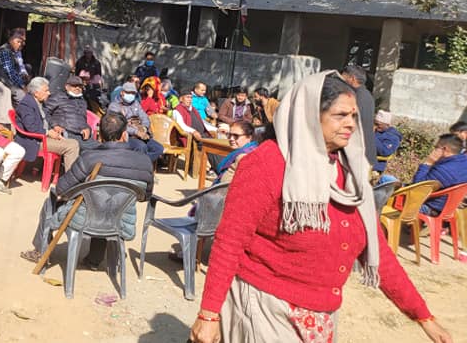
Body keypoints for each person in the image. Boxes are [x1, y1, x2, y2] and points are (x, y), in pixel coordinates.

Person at [189, 72, 451, 343]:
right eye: (340, 115)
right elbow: (229, 241)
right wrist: (209, 314)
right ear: (309, 116)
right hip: (265, 307)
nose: (351, 124)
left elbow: (377, 250)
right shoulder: (268, 163)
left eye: (354, 116)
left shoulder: (350, 175)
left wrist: (423, 317)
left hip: (322, 314)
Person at [20, 112, 154, 264]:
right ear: (125, 135)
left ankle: (41, 251)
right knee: (107, 201)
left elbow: (61, 189)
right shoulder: (144, 161)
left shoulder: (89, 157)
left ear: (100, 136)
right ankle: (94, 260)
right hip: (120, 221)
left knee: (56, 201)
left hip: (85, 218)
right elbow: (145, 196)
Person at [14, 77, 81, 171]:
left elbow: (47, 118)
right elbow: (31, 127)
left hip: (43, 138)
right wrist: (48, 132)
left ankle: (72, 175)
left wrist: (54, 127)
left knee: (74, 142)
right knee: (71, 147)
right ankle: (71, 177)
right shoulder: (26, 105)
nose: (49, 93)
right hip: (34, 141)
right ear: (36, 93)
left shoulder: (39, 102)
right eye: (46, 91)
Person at [410, 134, 467, 215]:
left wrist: (428, 162)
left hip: (429, 208)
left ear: (444, 149)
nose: (433, 150)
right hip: (446, 209)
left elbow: (417, 189)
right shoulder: (463, 163)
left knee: (390, 191)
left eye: (436, 147)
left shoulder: (444, 170)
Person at [107, 82, 164, 162]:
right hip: (124, 135)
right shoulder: (114, 106)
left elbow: (144, 117)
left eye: (133, 93)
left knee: (158, 148)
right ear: (122, 92)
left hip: (140, 134)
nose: (131, 95)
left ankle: (143, 163)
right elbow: (119, 125)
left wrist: (144, 127)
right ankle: (139, 165)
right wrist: (136, 132)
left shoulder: (135, 103)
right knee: (141, 147)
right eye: (129, 92)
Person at [44, 75, 98, 151]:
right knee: (93, 151)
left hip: (82, 136)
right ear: (67, 87)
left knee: (102, 148)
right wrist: (54, 125)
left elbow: (83, 120)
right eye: (74, 86)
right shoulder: (58, 97)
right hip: (66, 133)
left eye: (80, 86)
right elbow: (44, 112)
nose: (77, 88)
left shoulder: (82, 101)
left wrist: (88, 128)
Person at [341, 65, 377, 168]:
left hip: (358, 153)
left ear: (352, 79)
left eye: (343, 78)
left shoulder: (355, 97)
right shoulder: (367, 95)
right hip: (364, 152)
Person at [213, 120, 258, 185]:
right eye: (229, 135)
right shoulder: (250, 149)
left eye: (236, 136)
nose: (231, 138)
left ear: (249, 137)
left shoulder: (244, 156)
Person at [0, 28, 30, 104]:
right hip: (6, 81)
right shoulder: (5, 52)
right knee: (25, 99)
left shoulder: (16, 50)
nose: (21, 44)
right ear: (10, 40)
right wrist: (22, 86)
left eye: (22, 42)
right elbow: (10, 73)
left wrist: (25, 76)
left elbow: (21, 65)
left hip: (15, 79)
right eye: (18, 41)